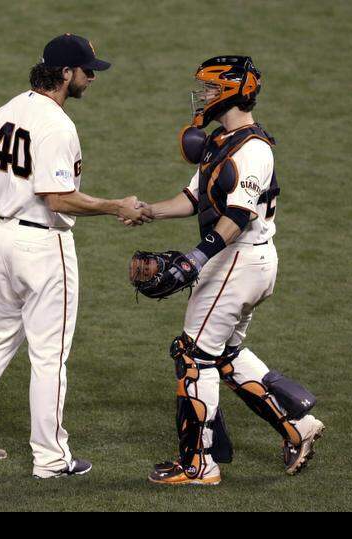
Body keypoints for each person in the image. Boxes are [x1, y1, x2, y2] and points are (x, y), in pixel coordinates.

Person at [0, 34, 152, 479]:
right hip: (42, 246)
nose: (92, 77)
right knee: (49, 356)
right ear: (64, 74)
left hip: (1, 239)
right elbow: (57, 199)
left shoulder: (5, 111)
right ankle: (52, 459)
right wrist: (116, 206)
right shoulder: (57, 125)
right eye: (86, 70)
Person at [134, 55, 324, 486]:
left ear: (232, 91)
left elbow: (237, 217)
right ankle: (298, 425)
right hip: (243, 261)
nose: (200, 96)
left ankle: (200, 465)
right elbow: (192, 199)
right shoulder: (224, 140)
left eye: (208, 88)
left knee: (193, 355)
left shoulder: (254, 150)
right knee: (222, 354)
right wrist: (148, 211)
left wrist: (195, 259)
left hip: (238, 260)